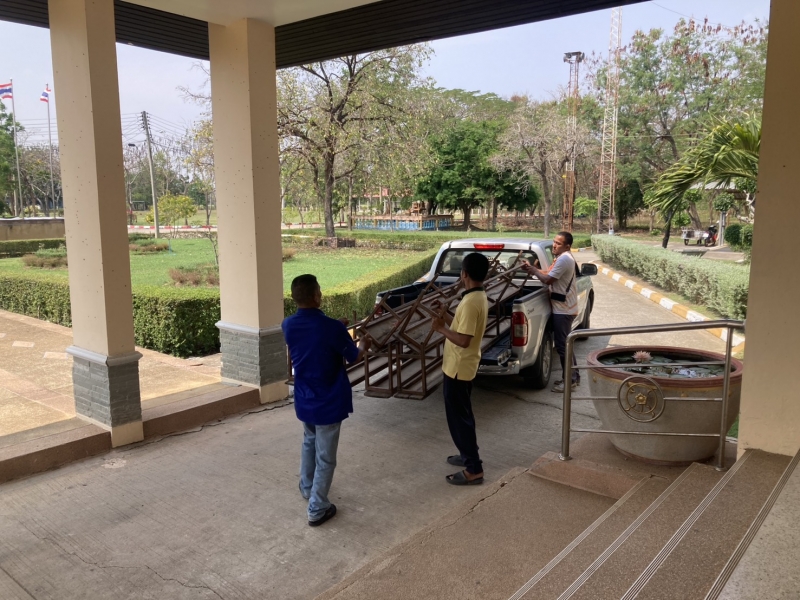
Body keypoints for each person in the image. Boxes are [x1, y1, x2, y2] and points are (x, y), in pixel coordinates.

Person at [282, 274, 370, 526]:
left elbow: (314, 337)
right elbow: (353, 356)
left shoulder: (288, 324)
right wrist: (363, 344)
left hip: (304, 398)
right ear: (316, 296)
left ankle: (307, 487)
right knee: (326, 458)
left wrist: (337, 327)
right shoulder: (331, 328)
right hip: (328, 401)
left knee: (309, 441)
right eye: (319, 291)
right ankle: (317, 508)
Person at [431, 252, 489, 486]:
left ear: (464, 274)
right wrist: (445, 315)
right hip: (461, 366)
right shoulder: (477, 296)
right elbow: (463, 327)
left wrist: (440, 328)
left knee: (459, 420)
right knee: (463, 416)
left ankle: (473, 468)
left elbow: (464, 340)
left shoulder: (471, 302)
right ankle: (467, 454)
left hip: (458, 368)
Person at [522, 231, 580, 393]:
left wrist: (534, 271)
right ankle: (574, 377)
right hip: (563, 308)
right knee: (565, 344)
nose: (554, 245)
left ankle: (570, 381)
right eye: (554, 242)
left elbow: (548, 280)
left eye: (558, 243)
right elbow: (548, 273)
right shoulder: (562, 258)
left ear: (567, 246)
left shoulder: (564, 259)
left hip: (564, 310)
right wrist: (533, 269)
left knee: (563, 346)